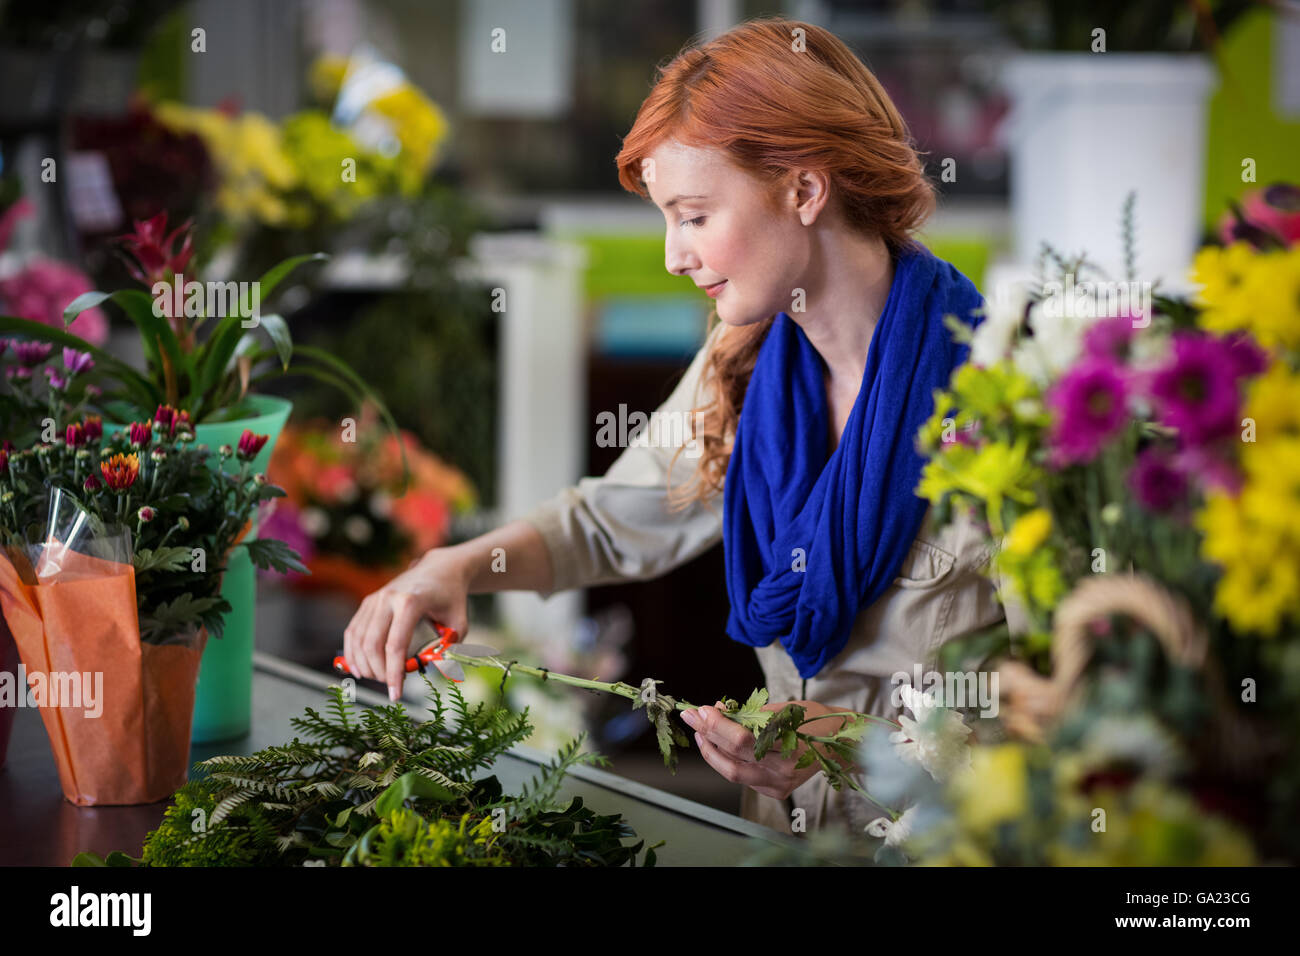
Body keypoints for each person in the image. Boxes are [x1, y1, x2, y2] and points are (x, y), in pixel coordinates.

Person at [343, 16, 1025, 838]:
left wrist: (855, 744)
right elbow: (609, 522)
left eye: (695, 215)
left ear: (805, 191)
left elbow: (1077, 718)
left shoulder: (1003, 398)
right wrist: (448, 566)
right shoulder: (743, 365)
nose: (673, 254)